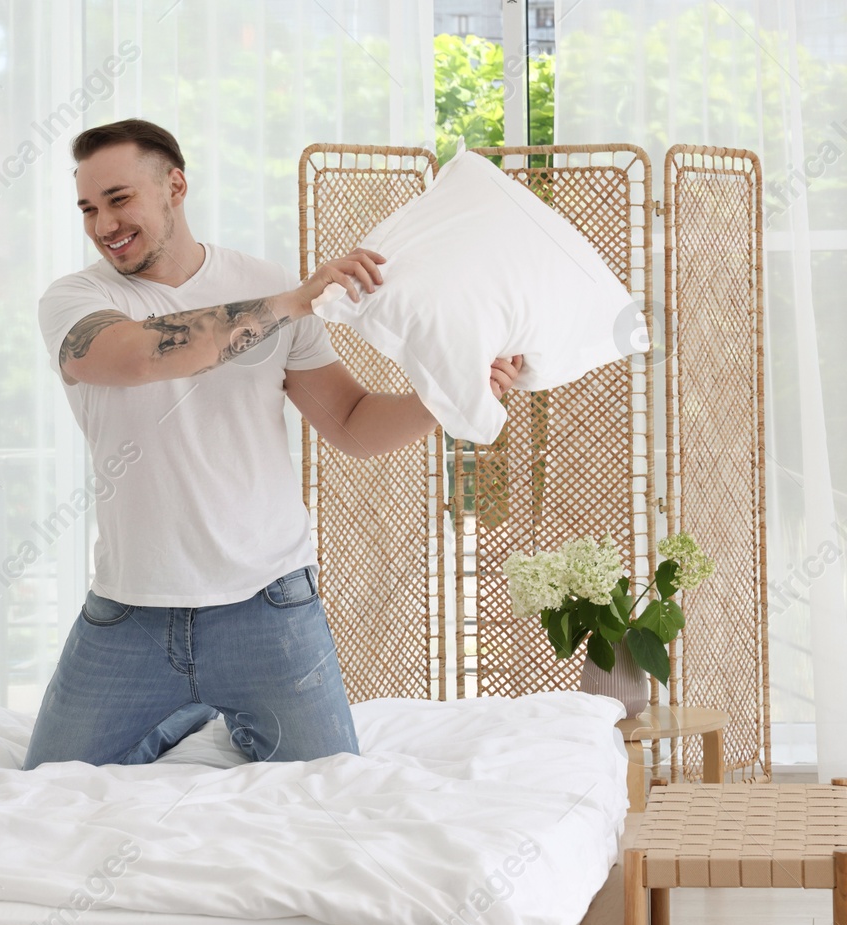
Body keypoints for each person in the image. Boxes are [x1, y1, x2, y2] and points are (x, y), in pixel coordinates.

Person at [27, 118, 522, 769]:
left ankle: (217, 701)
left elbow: (351, 422)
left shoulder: (263, 284)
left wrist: (451, 394)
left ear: (174, 185)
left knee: (332, 789)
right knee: (47, 787)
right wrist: (290, 301)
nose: (103, 224)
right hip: (130, 614)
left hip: (268, 606)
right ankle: (193, 704)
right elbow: (142, 354)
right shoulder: (78, 297)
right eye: (90, 207)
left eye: (119, 199)